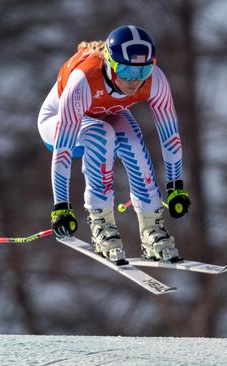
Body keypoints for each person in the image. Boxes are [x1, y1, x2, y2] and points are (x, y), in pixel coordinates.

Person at [37, 25, 190, 264]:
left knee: (133, 139)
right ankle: (102, 224)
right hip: (58, 124)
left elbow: (170, 137)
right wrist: (61, 206)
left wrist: (175, 186)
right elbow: (63, 151)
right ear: (109, 63)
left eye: (143, 71)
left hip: (105, 113)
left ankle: (152, 228)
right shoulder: (83, 81)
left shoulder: (155, 80)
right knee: (101, 134)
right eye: (126, 70)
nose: (134, 81)